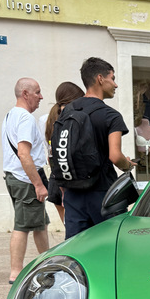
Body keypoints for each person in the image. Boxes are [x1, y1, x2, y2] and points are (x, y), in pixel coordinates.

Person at [62, 57, 135, 239]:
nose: (115, 84)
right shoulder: (111, 115)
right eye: (113, 78)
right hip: (103, 194)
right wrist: (127, 165)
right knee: (113, 244)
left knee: (75, 247)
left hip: (73, 192)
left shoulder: (68, 111)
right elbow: (115, 156)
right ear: (100, 79)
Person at [2, 78, 50, 283]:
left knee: (40, 224)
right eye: (37, 92)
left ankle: (47, 261)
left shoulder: (10, 115)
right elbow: (23, 153)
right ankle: (16, 272)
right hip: (26, 180)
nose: (41, 97)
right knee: (22, 226)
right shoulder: (25, 118)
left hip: (16, 177)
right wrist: (38, 184)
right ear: (25, 94)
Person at [41, 81, 85, 225]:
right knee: (80, 229)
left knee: (68, 226)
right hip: (70, 180)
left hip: (56, 178)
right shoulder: (72, 119)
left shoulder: (46, 120)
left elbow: (50, 154)